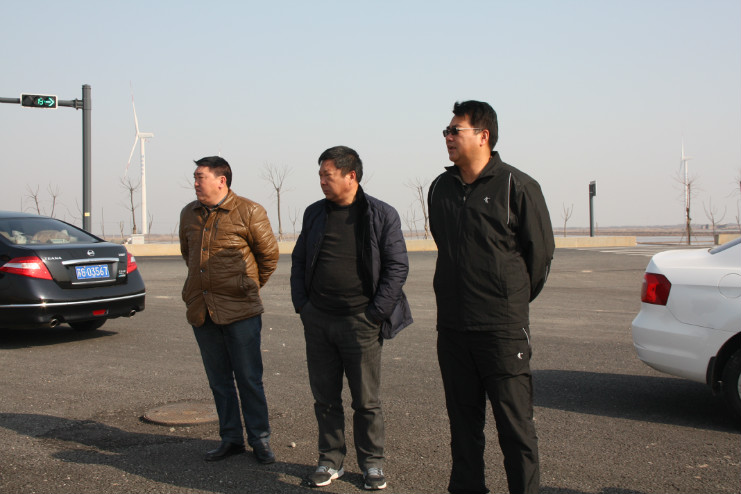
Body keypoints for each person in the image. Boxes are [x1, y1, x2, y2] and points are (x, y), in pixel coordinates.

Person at [428, 101, 555, 494]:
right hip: (453, 330)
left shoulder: (518, 186)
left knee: (515, 429)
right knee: (463, 429)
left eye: (455, 130)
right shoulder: (440, 188)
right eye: (446, 131)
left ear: (483, 136)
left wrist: (507, 301)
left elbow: (539, 257)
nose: (448, 137)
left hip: (502, 332)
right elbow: (445, 244)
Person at [290, 145, 412, 491]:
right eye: (319, 175)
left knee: (366, 401)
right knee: (325, 398)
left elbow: (397, 267)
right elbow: (299, 260)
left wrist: (375, 314)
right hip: (319, 321)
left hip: (361, 322)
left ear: (351, 176)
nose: (321, 182)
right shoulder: (314, 213)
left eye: (327, 175)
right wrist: (303, 306)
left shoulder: (381, 214)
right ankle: (330, 460)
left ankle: (372, 464)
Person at [179, 156, 279, 464]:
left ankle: (260, 439)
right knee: (219, 380)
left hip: (241, 311)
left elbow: (269, 257)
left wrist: (246, 287)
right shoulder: (189, 213)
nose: (195, 183)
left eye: (200, 177)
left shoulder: (249, 211)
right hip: (203, 310)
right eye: (195, 177)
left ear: (221, 180)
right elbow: (188, 254)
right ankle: (231, 438)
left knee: (249, 378)